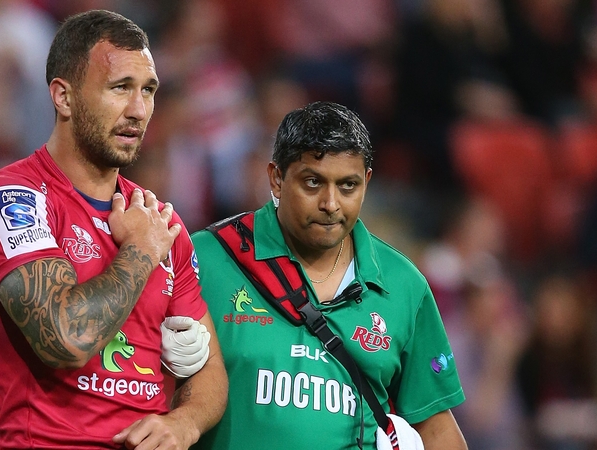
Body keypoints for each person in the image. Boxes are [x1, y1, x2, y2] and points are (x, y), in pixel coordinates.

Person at [0, 10, 227, 449]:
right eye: (120, 88)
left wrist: (185, 421)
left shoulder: (159, 220)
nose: (138, 110)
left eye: (148, 91)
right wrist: (140, 252)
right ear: (63, 97)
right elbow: (64, 339)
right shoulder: (14, 200)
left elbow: (210, 369)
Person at [191, 101, 467, 449]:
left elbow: (435, 424)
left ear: (366, 182)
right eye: (312, 182)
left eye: (348, 186)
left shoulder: (404, 285)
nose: (331, 203)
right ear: (277, 179)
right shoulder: (206, 259)